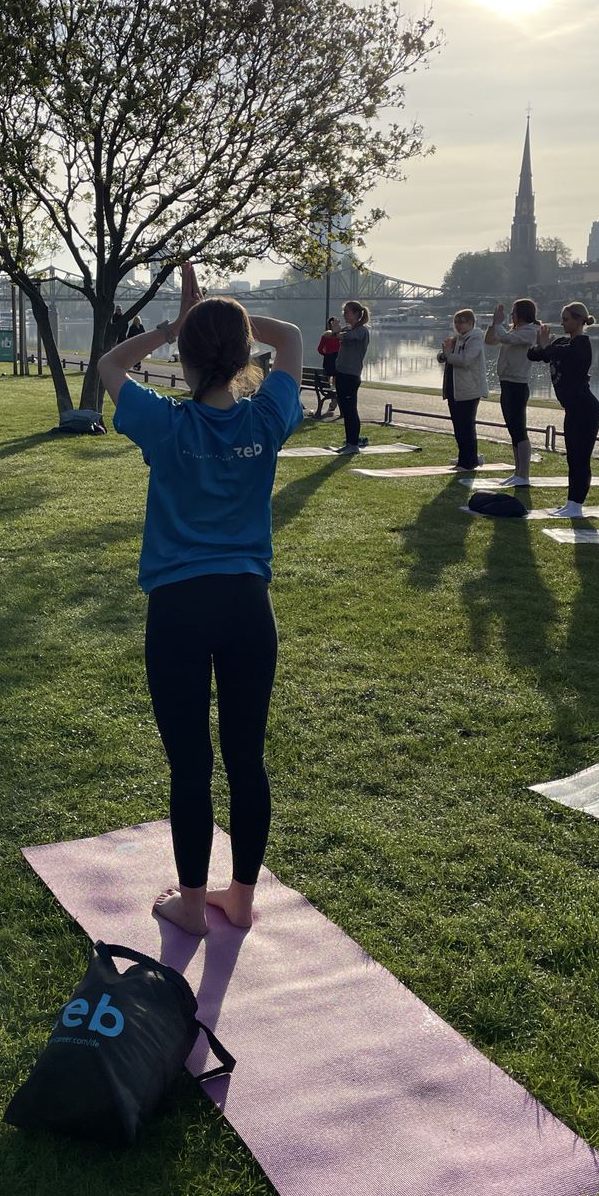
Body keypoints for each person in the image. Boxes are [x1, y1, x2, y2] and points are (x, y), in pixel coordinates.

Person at [98, 262, 304, 936]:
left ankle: (190, 905)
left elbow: (109, 367)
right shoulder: (267, 417)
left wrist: (169, 326)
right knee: (246, 757)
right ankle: (239, 898)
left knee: (190, 762)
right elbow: (294, 339)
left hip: (180, 612)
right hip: (249, 607)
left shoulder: (166, 424)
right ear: (245, 354)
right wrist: (223, 314)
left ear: (185, 358)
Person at [528, 303, 599, 517]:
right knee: (572, 457)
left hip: (586, 409)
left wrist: (545, 345)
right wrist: (539, 342)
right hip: (572, 409)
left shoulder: (581, 345)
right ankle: (571, 503)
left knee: (581, 458)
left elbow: (559, 353)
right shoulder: (561, 343)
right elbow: (534, 356)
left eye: (566, 319)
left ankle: (576, 505)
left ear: (579, 321)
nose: (562, 323)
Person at [485, 298, 541, 486]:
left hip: (518, 385)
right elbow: (491, 340)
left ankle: (524, 474)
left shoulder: (531, 332)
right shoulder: (514, 330)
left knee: (519, 429)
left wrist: (499, 323)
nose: (511, 316)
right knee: (512, 430)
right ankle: (517, 471)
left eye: (513, 312)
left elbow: (506, 338)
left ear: (521, 314)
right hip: (506, 383)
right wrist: (495, 324)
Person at [438, 308, 486, 469]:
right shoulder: (456, 339)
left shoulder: (475, 339)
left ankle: (469, 461)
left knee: (466, 426)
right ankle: (463, 456)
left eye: (462, 322)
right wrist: (444, 354)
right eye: (456, 322)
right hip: (454, 389)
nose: (458, 325)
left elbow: (466, 361)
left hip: (469, 389)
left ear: (471, 323)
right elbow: (441, 356)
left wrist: (448, 355)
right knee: (458, 426)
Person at [334, 301, 370, 454]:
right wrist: (336, 332)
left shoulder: (362, 331)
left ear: (356, 314)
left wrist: (337, 333)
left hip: (351, 376)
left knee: (350, 410)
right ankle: (349, 442)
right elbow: (339, 336)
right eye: (344, 311)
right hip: (342, 374)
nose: (344, 314)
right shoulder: (349, 330)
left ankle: (354, 444)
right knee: (345, 410)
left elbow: (347, 338)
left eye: (347, 312)